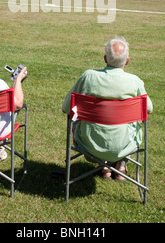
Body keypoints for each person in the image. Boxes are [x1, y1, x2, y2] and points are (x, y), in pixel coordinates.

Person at [62, 35, 153, 181]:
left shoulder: (88, 77)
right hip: (125, 145)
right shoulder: (134, 82)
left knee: (76, 118)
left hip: (90, 145)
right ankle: (120, 166)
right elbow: (148, 109)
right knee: (131, 124)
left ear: (105, 58)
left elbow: (66, 108)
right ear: (127, 61)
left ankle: (104, 165)